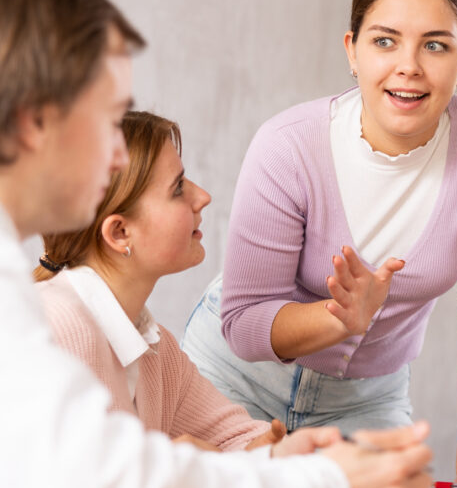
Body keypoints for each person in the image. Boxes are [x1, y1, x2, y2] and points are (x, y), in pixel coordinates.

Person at [0, 0, 431, 488]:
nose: (118, 153)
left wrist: (283, 468)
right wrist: (327, 487)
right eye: (109, 117)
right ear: (36, 122)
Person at [182, 0, 457, 487]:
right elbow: (246, 326)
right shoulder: (288, 145)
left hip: (369, 396)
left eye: (435, 45)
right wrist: (340, 318)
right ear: (352, 50)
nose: (409, 65)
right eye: (385, 41)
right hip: (236, 382)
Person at [36, 110, 355, 456]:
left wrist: (275, 453)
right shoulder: (54, 328)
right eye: (177, 189)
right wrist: (183, 466)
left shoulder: (158, 352)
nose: (202, 196)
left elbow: (239, 440)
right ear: (120, 232)